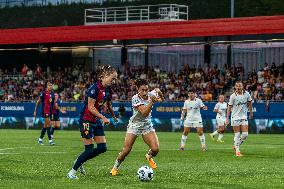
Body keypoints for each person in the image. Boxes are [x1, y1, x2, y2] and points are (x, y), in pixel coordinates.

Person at [67, 65, 118, 179]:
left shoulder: (108, 89)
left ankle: (80, 160)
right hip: (86, 120)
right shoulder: (94, 88)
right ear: (104, 76)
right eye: (112, 78)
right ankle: (72, 173)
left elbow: (108, 104)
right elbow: (90, 107)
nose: (114, 81)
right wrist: (103, 117)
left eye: (115, 79)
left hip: (96, 120)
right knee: (89, 149)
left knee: (102, 148)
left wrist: (113, 116)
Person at [110, 79, 164, 176]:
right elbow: (143, 113)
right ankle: (115, 167)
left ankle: (148, 156)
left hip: (147, 125)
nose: (144, 92)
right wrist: (152, 102)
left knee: (155, 149)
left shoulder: (151, 94)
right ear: (137, 89)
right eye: (142, 90)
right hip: (134, 125)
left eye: (146, 90)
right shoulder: (135, 98)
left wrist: (159, 93)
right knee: (126, 150)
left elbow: (161, 100)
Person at [225, 81, 253, 157]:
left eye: (240, 86)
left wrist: (251, 113)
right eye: (237, 86)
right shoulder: (233, 96)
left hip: (244, 117)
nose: (238, 87)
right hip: (235, 117)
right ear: (235, 87)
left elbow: (250, 103)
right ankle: (237, 151)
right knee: (237, 135)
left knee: (245, 134)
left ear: (242, 86)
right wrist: (227, 118)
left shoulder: (247, 94)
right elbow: (229, 107)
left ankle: (236, 145)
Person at [34, 82, 55, 146]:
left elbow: (52, 104)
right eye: (49, 85)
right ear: (47, 86)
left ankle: (40, 139)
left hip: (50, 111)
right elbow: (38, 101)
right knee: (48, 125)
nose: (51, 87)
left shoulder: (52, 94)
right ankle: (50, 140)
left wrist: (52, 112)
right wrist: (35, 110)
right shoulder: (43, 93)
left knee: (45, 126)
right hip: (45, 111)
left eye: (51, 85)